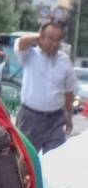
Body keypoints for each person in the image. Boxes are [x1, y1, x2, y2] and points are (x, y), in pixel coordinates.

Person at [14, 23, 77, 153]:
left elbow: (69, 91)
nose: (54, 43)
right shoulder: (29, 55)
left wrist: (69, 115)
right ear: (40, 38)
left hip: (55, 119)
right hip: (30, 117)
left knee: (55, 159)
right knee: (26, 159)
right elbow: (21, 42)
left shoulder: (65, 61)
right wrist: (40, 37)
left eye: (58, 39)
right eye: (51, 38)